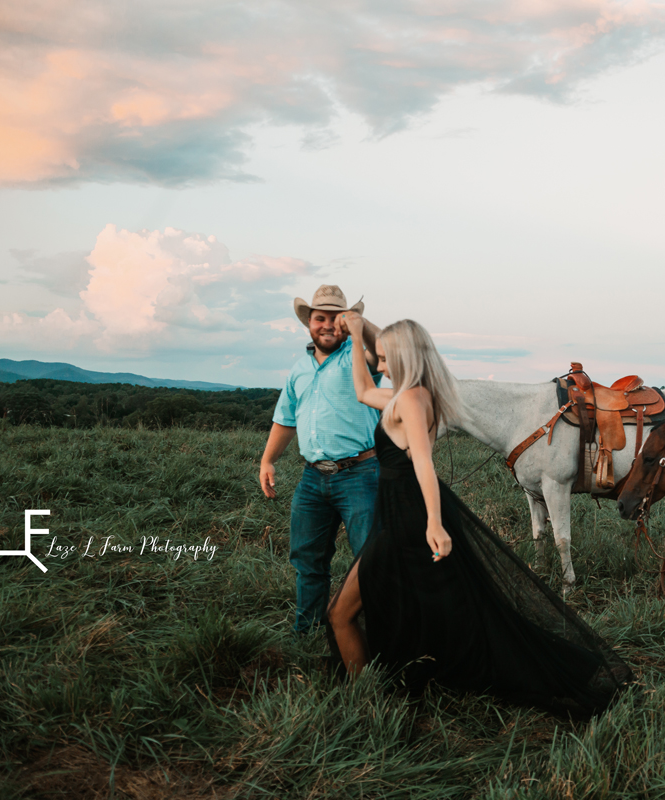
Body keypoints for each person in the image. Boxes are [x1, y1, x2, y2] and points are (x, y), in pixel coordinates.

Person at [326, 317, 633, 717]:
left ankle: (366, 706)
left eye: (384, 359)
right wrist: (356, 332)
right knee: (442, 609)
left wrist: (434, 523)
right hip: (397, 514)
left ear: (402, 358)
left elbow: (422, 464)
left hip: (409, 517)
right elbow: (363, 390)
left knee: (341, 612)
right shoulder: (410, 396)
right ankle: (380, 691)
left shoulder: (414, 400)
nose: (379, 366)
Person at [259, 284, 383, 634]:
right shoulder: (299, 368)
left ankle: (379, 637)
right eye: (320, 318)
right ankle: (309, 633)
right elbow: (285, 419)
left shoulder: (361, 356)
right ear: (308, 323)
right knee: (307, 559)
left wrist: (359, 325)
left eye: (336, 318)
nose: (327, 325)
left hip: (360, 474)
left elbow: (386, 349)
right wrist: (268, 461)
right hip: (312, 479)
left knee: (369, 559)